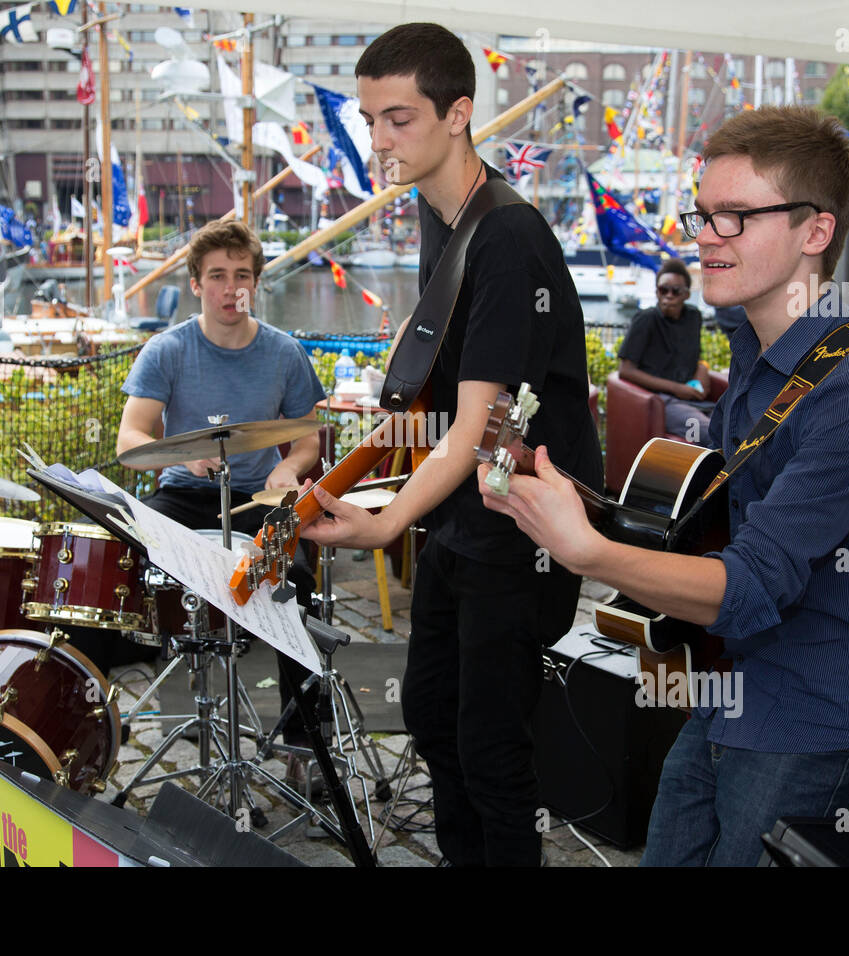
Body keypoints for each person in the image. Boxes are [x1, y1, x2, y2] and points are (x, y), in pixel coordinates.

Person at [479, 105, 849, 866]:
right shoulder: (755, 359)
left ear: (815, 232)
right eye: (704, 213)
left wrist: (587, 551)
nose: (706, 236)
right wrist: (559, 491)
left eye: (737, 217)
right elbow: (717, 531)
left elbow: (753, 581)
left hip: (822, 714)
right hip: (731, 689)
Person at [299, 22, 602, 866]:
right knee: (434, 717)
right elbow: (444, 395)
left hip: (520, 525)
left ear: (459, 112)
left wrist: (383, 521)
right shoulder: (443, 213)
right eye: (369, 120)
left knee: (492, 753)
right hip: (467, 520)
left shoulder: (505, 237)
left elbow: (474, 430)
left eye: (399, 119)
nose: (379, 141)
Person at [116, 218, 326, 789]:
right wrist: (180, 457)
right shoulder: (167, 350)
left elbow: (308, 440)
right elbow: (130, 439)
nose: (229, 287)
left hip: (255, 499)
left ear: (255, 283)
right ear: (195, 284)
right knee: (130, 561)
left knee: (298, 582)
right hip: (185, 495)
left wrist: (287, 466)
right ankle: (169, 693)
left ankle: (305, 742)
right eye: (216, 275)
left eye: (241, 275)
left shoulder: (284, 354)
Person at [618, 257, 712, 443]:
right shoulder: (645, 320)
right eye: (663, 290)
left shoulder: (694, 317)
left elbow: (696, 357)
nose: (668, 295)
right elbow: (625, 370)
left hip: (691, 398)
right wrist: (678, 389)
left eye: (675, 291)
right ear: (656, 292)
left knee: (738, 425)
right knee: (708, 432)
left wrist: (702, 371)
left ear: (686, 294)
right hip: (661, 401)